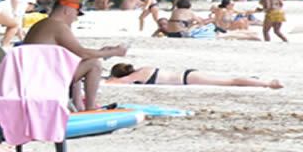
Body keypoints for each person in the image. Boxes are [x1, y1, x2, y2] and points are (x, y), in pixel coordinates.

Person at [21, 0, 126, 111]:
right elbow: (82, 53)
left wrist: (102, 52)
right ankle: (90, 107)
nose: (75, 19)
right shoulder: (58, 26)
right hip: (43, 79)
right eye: (76, 14)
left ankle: (78, 106)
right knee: (94, 64)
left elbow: (75, 54)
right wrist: (115, 52)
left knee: (75, 64)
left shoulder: (42, 24)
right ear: (67, 11)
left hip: (33, 76)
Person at [108, 63, 282, 89]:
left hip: (188, 79)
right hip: (187, 76)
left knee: (230, 82)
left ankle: (267, 83)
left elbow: (117, 82)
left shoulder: (138, 75)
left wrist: (105, 80)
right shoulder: (143, 69)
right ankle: (258, 81)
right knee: (228, 80)